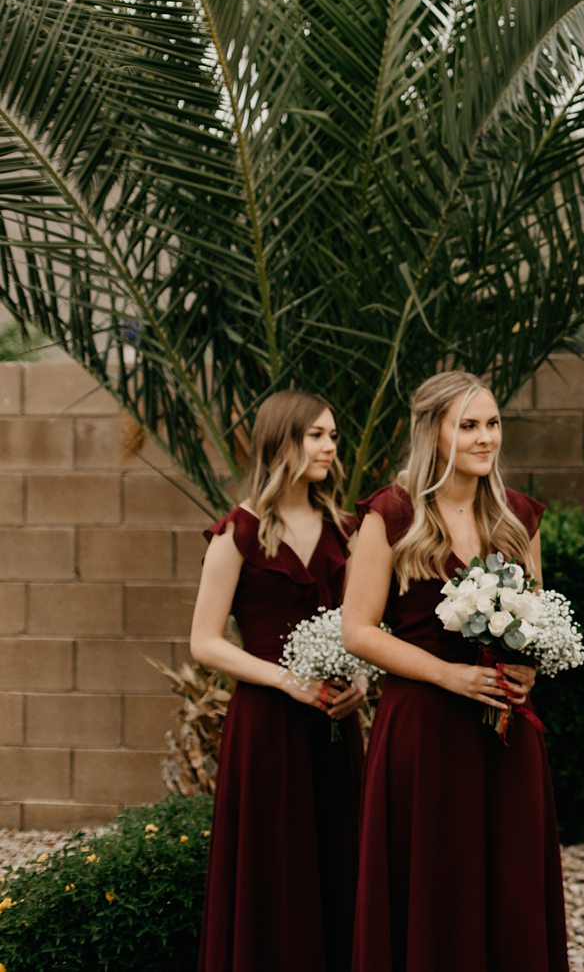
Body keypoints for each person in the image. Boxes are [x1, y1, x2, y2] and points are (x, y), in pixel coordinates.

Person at [343, 371, 567, 971]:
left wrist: (528, 672)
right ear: (433, 434)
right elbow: (358, 630)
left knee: (512, 886)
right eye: (468, 425)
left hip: (506, 730)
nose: (485, 437)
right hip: (424, 731)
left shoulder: (519, 517)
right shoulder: (391, 514)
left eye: (492, 424)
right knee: (435, 883)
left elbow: (539, 621)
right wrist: (447, 676)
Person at [190, 389, 364, 972]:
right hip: (266, 727)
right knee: (274, 867)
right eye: (316, 435)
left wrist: (362, 680)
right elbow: (205, 642)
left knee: (341, 857)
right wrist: (287, 682)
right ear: (281, 440)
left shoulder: (349, 529)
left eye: (332, 436)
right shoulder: (236, 535)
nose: (329, 447)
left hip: (338, 724)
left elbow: (366, 626)